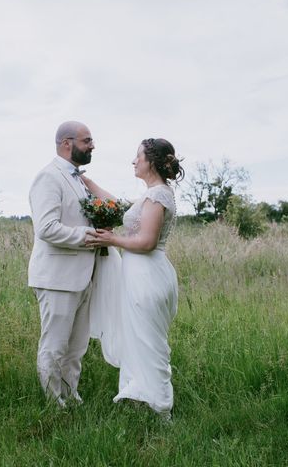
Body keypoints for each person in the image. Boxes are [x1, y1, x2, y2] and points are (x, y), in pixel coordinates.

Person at [84, 138, 184, 417]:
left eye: (137, 156)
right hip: (143, 274)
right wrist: (88, 184)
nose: (133, 161)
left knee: (150, 341)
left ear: (151, 161)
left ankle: (162, 409)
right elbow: (118, 206)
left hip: (147, 276)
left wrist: (112, 238)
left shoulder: (158, 195)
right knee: (142, 339)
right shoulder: (152, 194)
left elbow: (147, 241)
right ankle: (145, 398)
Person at [28, 120, 97, 408]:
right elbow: (46, 227)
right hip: (56, 277)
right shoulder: (49, 177)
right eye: (87, 140)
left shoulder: (78, 180)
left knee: (76, 347)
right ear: (67, 143)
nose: (92, 145)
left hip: (82, 276)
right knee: (54, 346)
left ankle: (71, 394)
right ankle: (53, 403)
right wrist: (86, 236)